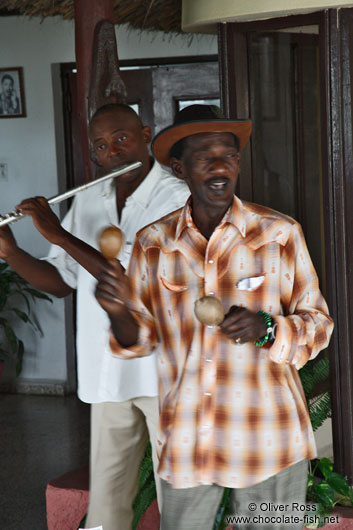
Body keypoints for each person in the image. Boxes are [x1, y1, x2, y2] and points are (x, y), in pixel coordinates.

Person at [95, 104, 334, 530]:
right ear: (179, 169)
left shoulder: (280, 234)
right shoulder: (153, 244)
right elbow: (140, 338)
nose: (221, 166)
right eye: (206, 157)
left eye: (230, 155)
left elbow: (319, 325)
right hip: (188, 437)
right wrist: (116, 311)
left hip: (271, 438)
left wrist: (267, 329)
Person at [0, 103, 190, 530]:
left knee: (178, 497)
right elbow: (61, 282)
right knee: (107, 501)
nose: (113, 153)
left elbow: (127, 277)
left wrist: (56, 233)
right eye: (101, 146)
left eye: (122, 139)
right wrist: (11, 252)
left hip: (166, 372)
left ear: (145, 135)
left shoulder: (177, 196)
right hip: (108, 371)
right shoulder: (88, 197)